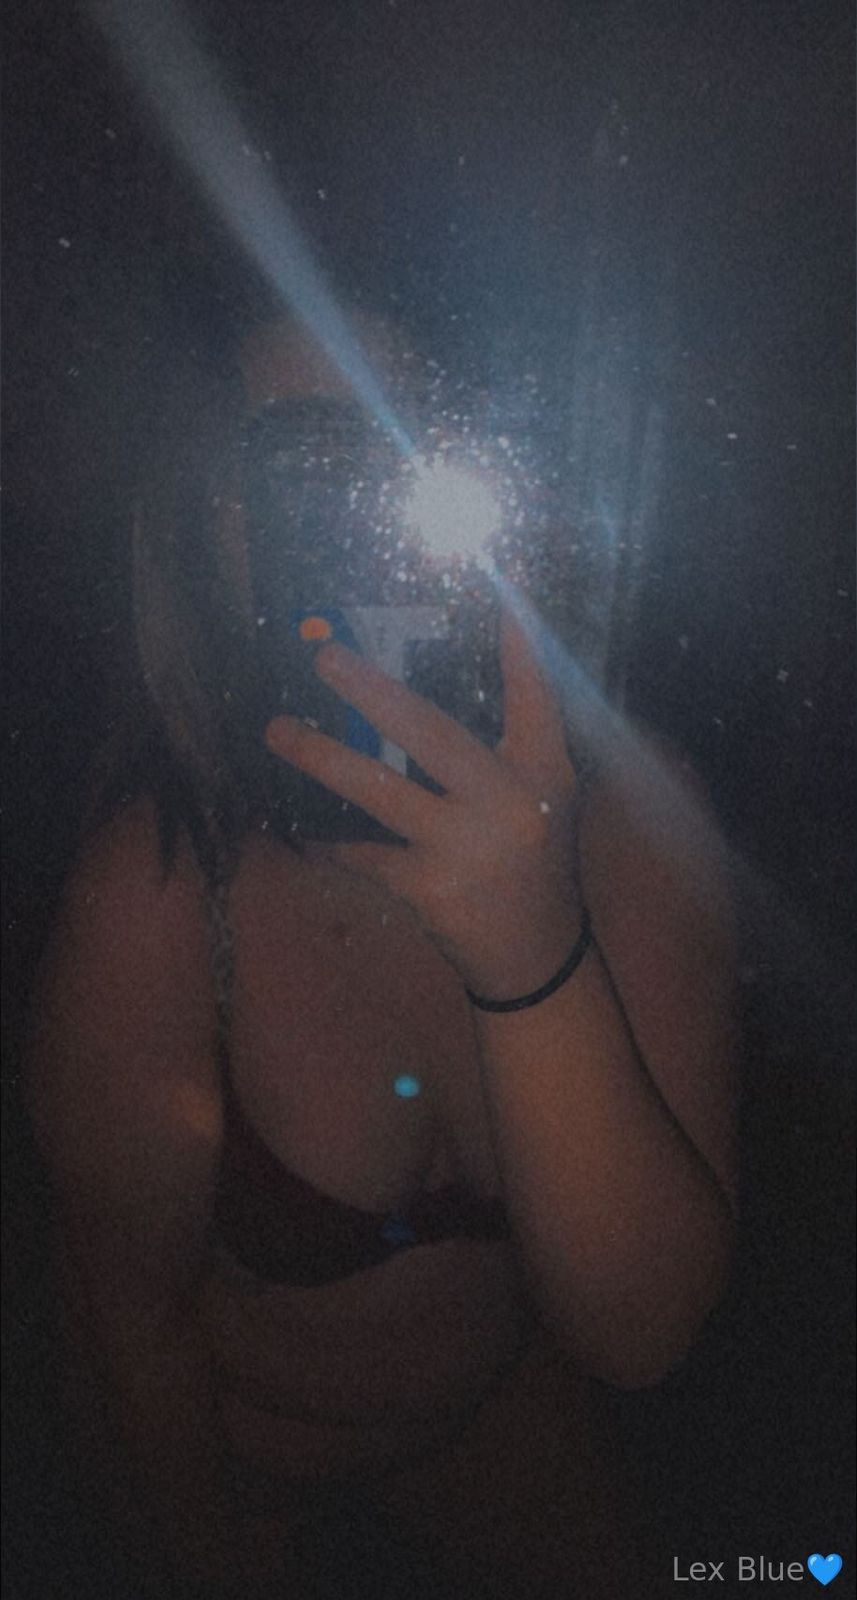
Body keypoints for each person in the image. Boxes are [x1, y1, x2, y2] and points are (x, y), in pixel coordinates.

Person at [25, 315, 739, 1600]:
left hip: (488, 1420)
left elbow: (643, 1334)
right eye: (306, 470)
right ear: (209, 537)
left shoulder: (634, 822)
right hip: (237, 1441)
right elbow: (132, 1329)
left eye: (409, 447)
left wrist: (530, 950)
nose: (361, 520)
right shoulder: (160, 890)